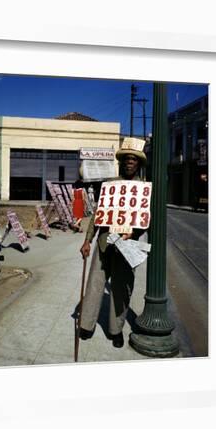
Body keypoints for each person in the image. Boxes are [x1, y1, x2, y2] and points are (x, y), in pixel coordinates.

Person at [78, 138, 147, 348]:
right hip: (104, 243)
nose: (129, 162)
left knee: (121, 289)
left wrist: (133, 232)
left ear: (138, 164)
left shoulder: (144, 188)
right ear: (121, 162)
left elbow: (145, 220)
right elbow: (98, 215)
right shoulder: (110, 185)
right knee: (94, 286)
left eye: (133, 160)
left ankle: (115, 330)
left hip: (128, 246)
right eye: (126, 159)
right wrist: (87, 241)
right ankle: (86, 326)